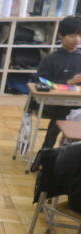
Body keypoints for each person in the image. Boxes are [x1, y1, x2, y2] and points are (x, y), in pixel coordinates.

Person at [37, 15, 81, 148]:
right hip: (56, 103)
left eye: (79, 35)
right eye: (72, 36)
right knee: (60, 117)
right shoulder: (50, 59)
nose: (77, 39)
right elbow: (43, 81)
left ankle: (69, 150)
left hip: (78, 102)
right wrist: (67, 82)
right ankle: (47, 151)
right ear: (61, 35)